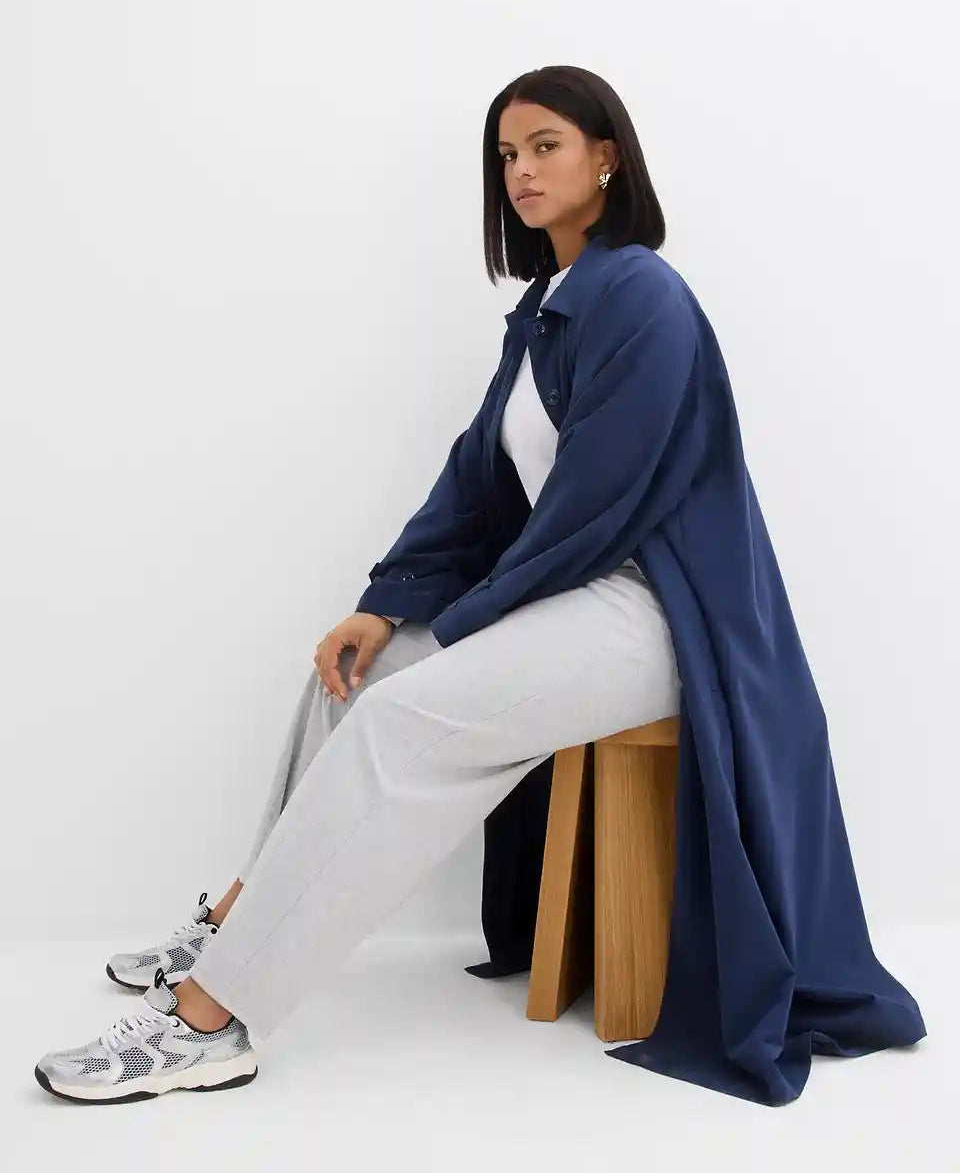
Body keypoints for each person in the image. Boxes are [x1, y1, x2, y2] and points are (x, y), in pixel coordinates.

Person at [34, 65, 925, 1106]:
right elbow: (476, 479)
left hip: (665, 613)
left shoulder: (643, 295)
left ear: (607, 157)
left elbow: (596, 506)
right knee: (353, 681)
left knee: (400, 723)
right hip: (573, 594)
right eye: (507, 155)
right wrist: (387, 604)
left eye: (546, 146)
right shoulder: (547, 308)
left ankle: (214, 1020)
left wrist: (463, 625)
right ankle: (234, 924)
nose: (521, 171)